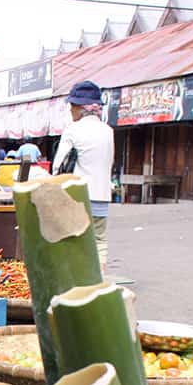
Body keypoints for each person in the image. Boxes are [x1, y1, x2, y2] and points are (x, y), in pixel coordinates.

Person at [52, 81, 114, 269]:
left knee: (73, 241)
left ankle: (76, 283)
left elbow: (58, 168)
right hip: (102, 197)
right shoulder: (108, 131)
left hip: (77, 196)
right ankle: (98, 280)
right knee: (99, 242)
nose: (71, 111)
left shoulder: (73, 130)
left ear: (79, 108)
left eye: (72, 106)